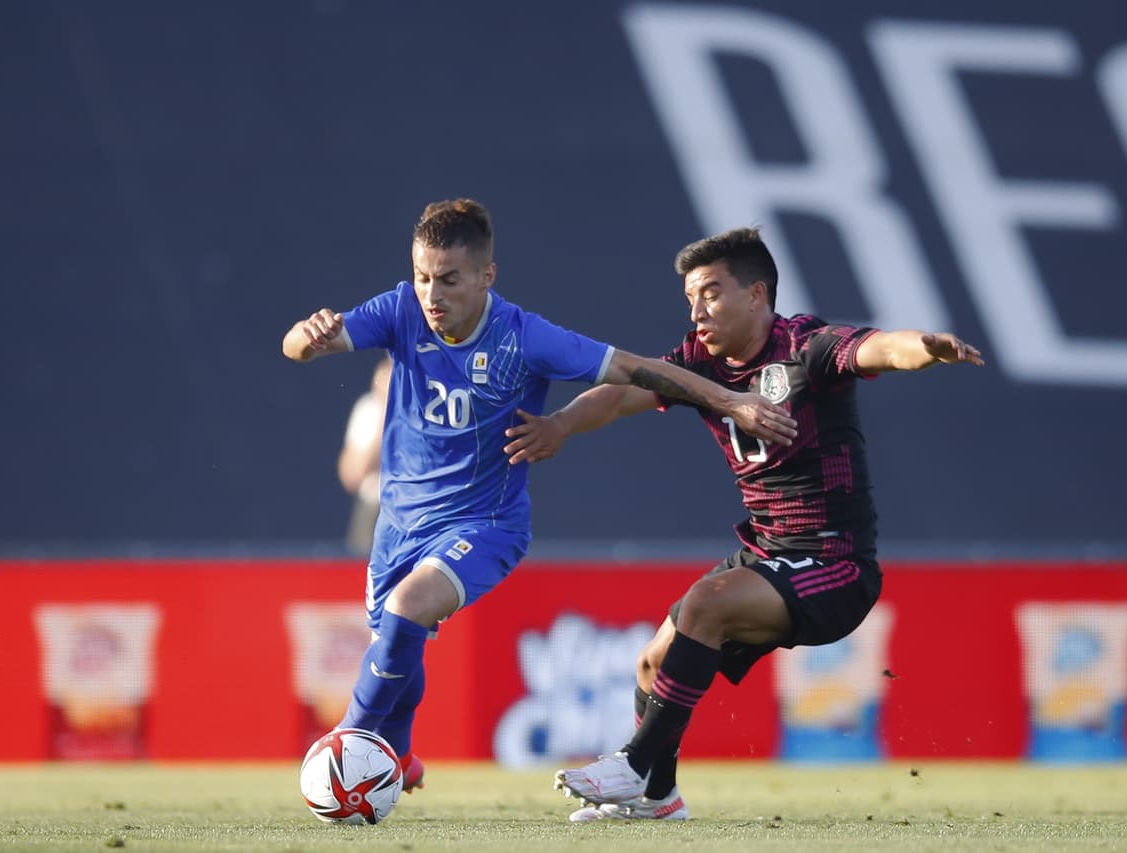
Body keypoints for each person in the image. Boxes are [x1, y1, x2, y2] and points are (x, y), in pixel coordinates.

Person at [280, 200, 797, 804]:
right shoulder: (399, 311)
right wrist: (306, 338)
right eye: (423, 276)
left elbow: (633, 369)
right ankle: (395, 750)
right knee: (398, 637)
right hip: (397, 524)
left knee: (406, 608)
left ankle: (350, 742)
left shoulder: (526, 338)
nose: (431, 293)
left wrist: (730, 401)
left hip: (486, 522)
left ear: (485, 276)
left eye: (448, 279)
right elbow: (298, 346)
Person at [503, 226, 984, 821]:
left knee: (705, 604)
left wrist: (925, 347)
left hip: (834, 564)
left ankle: (632, 764)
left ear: (757, 295)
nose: (697, 311)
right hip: (768, 552)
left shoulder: (806, 347)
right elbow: (621, 391)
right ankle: (657, 798)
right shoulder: (699, 363)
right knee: (653, 661)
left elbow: (878, 348)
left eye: (709, 293)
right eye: (689, 299)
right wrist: (559, 426)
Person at [338, 356, 392, 555]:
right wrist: (387, 411)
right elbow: (352, 474)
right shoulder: (368, 409)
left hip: (418, 506)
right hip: (374, 507)